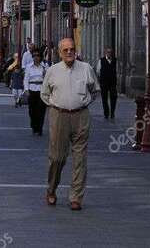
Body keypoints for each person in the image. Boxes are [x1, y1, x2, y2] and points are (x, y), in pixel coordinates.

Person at [41, 38, 100, 211]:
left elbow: (95, 90)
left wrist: (84, 101)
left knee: (80, 158)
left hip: (81, 115)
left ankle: (76, 197)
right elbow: (44, 94)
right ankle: (51, 189)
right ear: (60, 52)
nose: (69, 52)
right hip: (59, 115)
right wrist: (55, 104)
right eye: (65, 50)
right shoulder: (52, 71)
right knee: (57, 157)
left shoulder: (86, 69)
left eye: (72, 49)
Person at [24, 50, 47, 134]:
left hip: (41, 90)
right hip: (32, 89)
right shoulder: (29, 67)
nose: (36, 57)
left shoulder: (44, 66)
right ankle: (34, 125)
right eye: (34, 56)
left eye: (37, 55)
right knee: (32, 110)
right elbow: (26, 79)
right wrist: (26, 90)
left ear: (40, 57)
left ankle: (40, 127)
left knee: (41, 110)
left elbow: (47, 79)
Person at [95, 47, 118, 119]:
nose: (109, 53)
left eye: (110, 52)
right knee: (104, 98)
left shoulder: (115, 60)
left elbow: (117, 70)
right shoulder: (101, 60)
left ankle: (112, 113)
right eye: (108, 52)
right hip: (104, 82)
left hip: (113, 82)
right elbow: (98, 71)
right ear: (105, 53)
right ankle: (106, 113)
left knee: (113, 97)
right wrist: (102, 79)